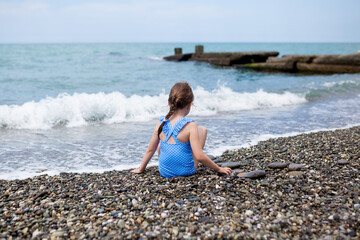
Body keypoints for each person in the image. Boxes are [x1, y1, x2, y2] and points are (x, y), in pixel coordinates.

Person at [131, 82, 232, 177]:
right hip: (187, 171)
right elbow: (199, 156)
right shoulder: (190, 125)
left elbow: (150, 150)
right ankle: (187, 164)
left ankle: (170, 163)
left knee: (162, 145)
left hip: (165, 171)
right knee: (202, 130)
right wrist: (218, 169)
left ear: (169, 103)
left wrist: (141, 169)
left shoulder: (161, 123)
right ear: (189, 105)